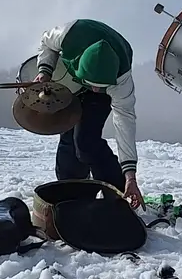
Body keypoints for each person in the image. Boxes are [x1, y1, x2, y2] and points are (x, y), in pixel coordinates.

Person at [34, 19, 144, 208]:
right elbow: (47, 43)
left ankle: (117, 194)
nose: (94, 89)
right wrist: (45, 70)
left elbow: (124, 123)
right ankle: (71, 197)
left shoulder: (121, 80)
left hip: (103, 86)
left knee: (86, 141)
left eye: (99, 86)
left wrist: (130, 176)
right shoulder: (68, 35)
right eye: (92, 85)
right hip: (72, 79)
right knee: (68, 136)